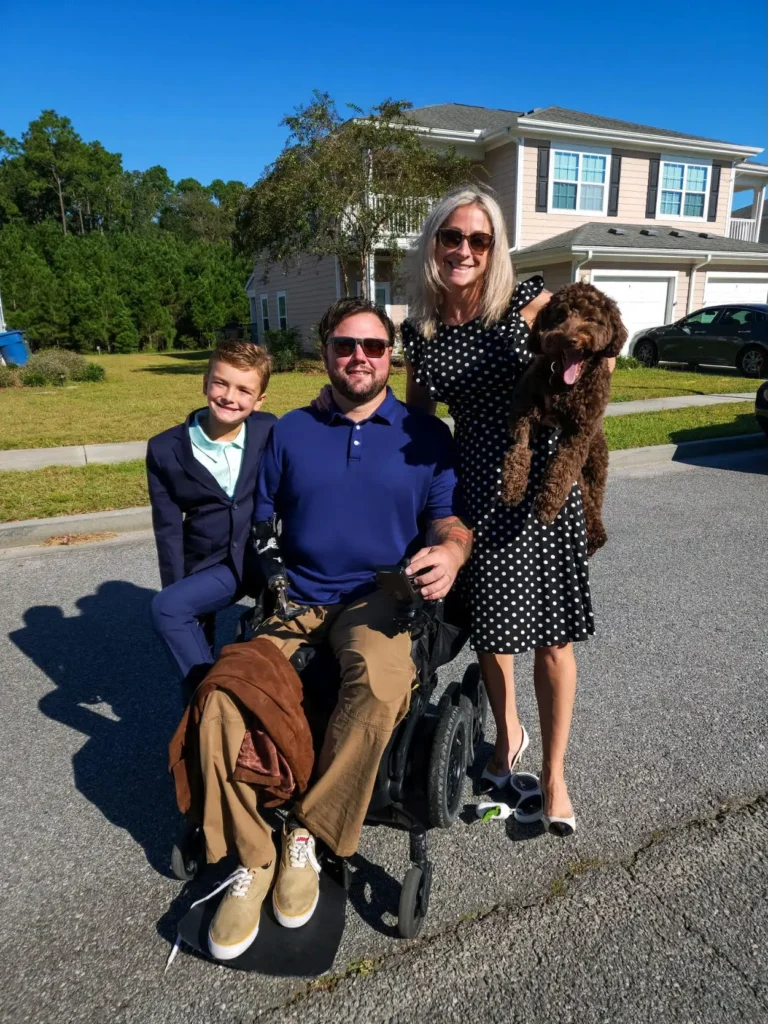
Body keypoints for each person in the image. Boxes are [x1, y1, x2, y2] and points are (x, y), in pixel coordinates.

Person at [197, 297, 472, 961]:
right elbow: (263, 522)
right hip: (298, 595)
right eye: (345, 345)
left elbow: (448, 521)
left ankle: (307, 837)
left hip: (377, 596)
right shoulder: (288, 432)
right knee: (220, 693)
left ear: (390, 356)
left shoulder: (425, 436)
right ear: (324, 352)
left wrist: (454, 551)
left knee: (380, 684)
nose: (359, 357)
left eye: (374, 347)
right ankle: (254, 855)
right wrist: (271, 581)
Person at [401, 186, 612, 838]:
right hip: (478, 493)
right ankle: (509, 734)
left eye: (479, 239)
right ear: (434, 244)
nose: (464, 249)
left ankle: (553, 776)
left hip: (544, 489)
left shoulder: (527, 304)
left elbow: (593, 348)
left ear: (494, 251)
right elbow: (416, 426)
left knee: (552, 639)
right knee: (493, 634)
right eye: (452, 237)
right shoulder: (423, 333)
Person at [147, 339, 276, 694]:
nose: (229, 397)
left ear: (259, 400)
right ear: (205, 382)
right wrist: (177, 589)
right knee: (169, 609)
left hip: (264, 554)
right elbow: (169, 529)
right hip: (214, 563)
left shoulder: (268, 430)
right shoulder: (164, 449)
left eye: (244, 390)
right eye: (221, 383)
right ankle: (210, 704)